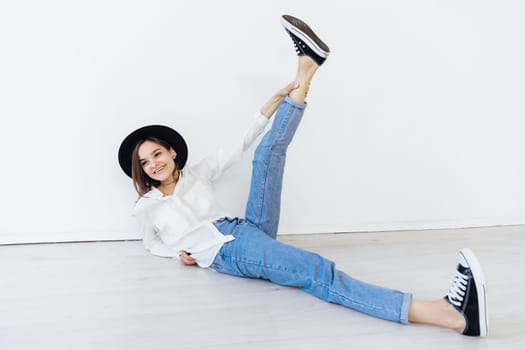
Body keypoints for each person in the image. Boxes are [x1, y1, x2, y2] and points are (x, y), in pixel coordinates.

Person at [118, 15, 488, 337]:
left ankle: (305, 73)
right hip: (226, 251)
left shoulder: (195, 174)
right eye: (146, 163)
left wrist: (274, 101)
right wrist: (182, 255)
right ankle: (446, 314)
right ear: (142, 172)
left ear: (171, 152)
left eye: (157, 154)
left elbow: (241, 143)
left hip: (243, 227)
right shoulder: (146, 206)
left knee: (266, 155)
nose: (154, 164)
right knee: (313, 271)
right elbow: (151, 244)